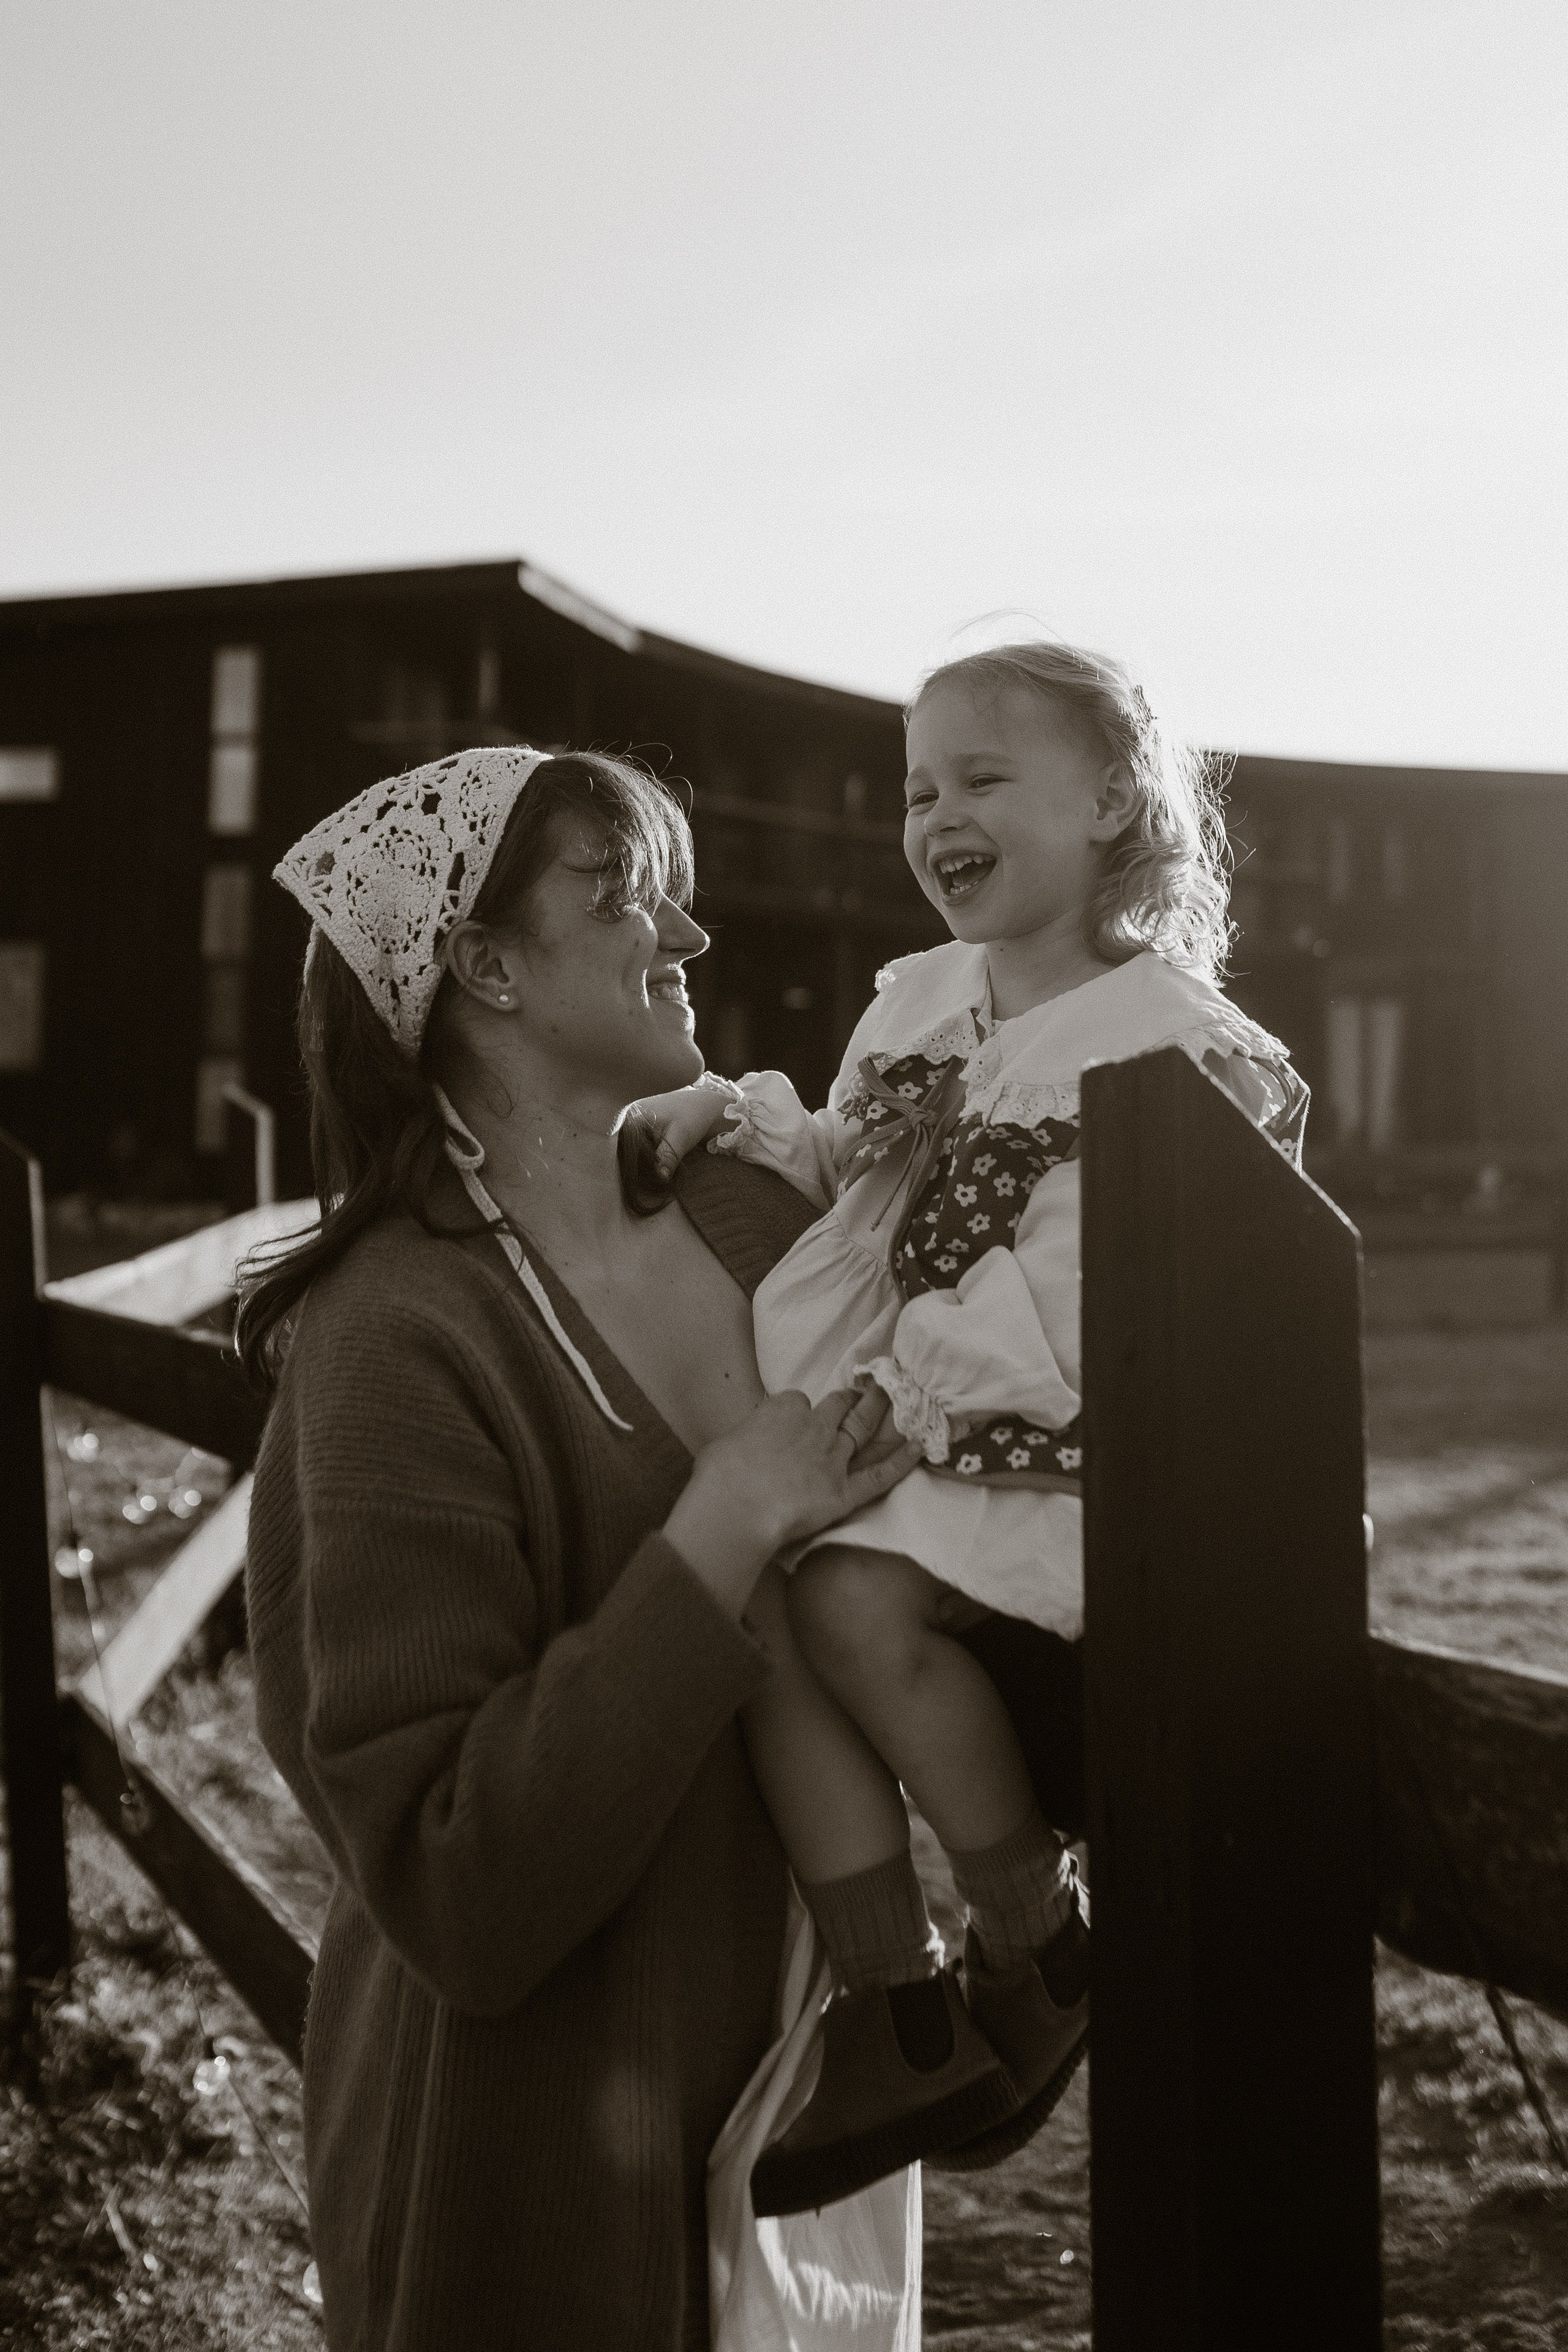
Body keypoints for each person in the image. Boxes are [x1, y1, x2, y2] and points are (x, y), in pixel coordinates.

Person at [237, 745, 930, 2352]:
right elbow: (455, 1881)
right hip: (527, 2167)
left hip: (790, 2110)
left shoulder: (735, 1220)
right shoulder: (396, 1333)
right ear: (482, 966)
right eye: (622, 895)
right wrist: (726, 1519)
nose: (684, 939)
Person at [641, 639, 1310, 2217]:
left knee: (845, 1596)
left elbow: (1086, 1294)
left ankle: (1035, 1939)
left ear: (1108, 806)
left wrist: (907, 1393)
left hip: (1066, 1443)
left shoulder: (1167, 1044)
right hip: (908, 1424)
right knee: (756, 1592)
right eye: (915, 788)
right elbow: (861, 1186)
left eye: (982, 780)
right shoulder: (918, 1006)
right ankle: (901, 2003)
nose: (935, 814)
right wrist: (732, 1119)